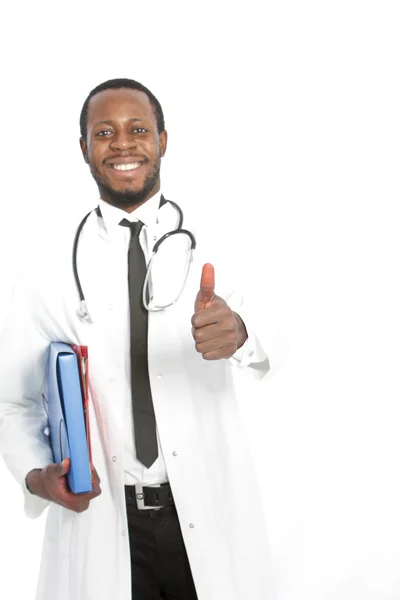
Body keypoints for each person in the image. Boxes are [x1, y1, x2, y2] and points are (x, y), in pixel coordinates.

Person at [0, 78, 275, 600]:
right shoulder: (45, 268)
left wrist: (240, 334)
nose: (123, 144)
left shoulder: (219, 242)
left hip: (204, 513)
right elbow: (13, 402)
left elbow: (284, 338)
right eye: (104, 132)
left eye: (138, 129)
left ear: (163, 141)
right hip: (101, 518)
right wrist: (37, 476)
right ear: (84, 148)